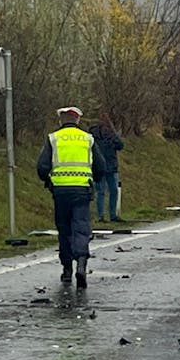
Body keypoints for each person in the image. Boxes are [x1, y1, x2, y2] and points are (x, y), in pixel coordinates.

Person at [37, 106, 107, 288]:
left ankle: (67, 269)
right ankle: (81, 265)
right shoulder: (87, 139)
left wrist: (49, 181)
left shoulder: (53, 138)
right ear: (77, 120)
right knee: (81, 227)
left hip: (60, 192)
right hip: (82, 190)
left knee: (64, 229)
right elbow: (101, 167)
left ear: (61, 120)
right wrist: (94, 180)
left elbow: (42, 167)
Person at [90, 115, 126, 223]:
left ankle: (111, 215)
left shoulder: (109, 136)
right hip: (102, 167)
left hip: (110, 167)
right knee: (102, 191)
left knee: (112, 191)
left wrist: (114, 135)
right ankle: (103, 216)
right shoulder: (94, 136)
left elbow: (120, 145)